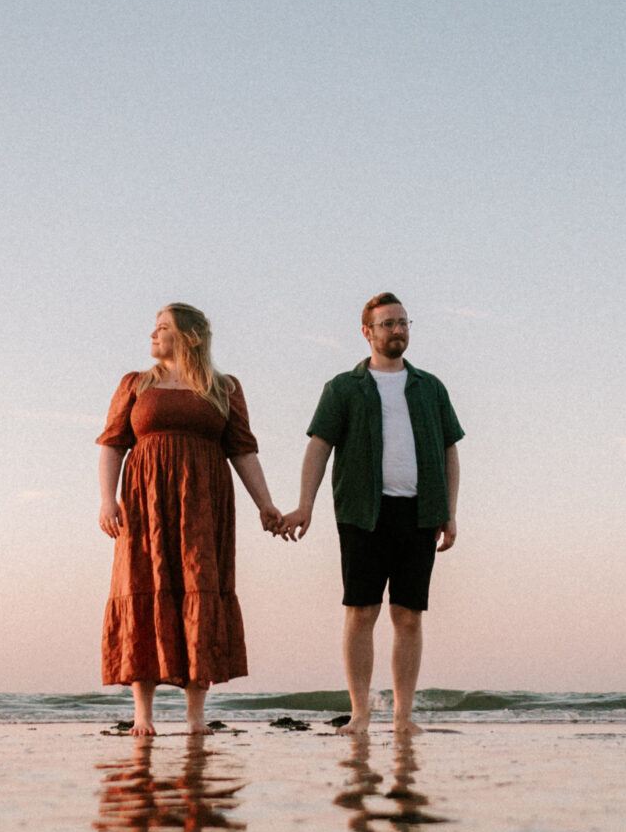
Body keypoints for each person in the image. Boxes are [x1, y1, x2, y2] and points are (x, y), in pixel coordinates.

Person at [97, 303, 285, 736]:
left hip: (203, 503)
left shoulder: (224, 387)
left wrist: (266, 504)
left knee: (200, 586)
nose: (152, 334)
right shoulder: (136, 384)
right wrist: (108, 501)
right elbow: (112, 445)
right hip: (145, 504)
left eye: (162, 328)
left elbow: (242, 450)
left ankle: (195, 713)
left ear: (189, 337)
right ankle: (142, 714)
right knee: (142, 583)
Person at [282, 293, 464, 732]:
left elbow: (449, 451)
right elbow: (318, 448)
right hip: (362, 512)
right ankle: (361, 714)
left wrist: (450, 512)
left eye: (403, 322)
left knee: (408, 615)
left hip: (419, 513)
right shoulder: (344, 387)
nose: (397, 330)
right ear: (367, 332)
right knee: (361, 612)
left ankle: (403, 718)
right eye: (387, 323)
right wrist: (304, 505)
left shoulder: (431, 387)